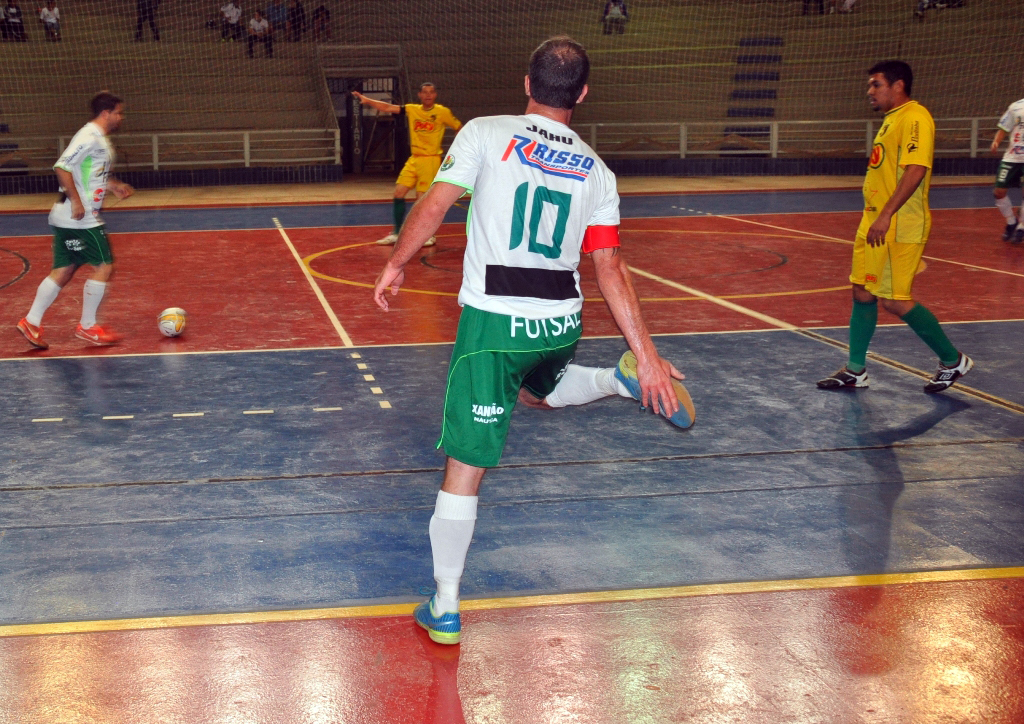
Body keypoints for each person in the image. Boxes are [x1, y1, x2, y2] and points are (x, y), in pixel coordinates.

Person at [372, 37, 694, 645]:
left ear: (527, 83)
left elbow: (436, 204)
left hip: (495, 322)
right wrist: (647, 357)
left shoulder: (485, 132)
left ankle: (444, 605)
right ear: (583, 94)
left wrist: (398, 262)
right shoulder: (598, 171)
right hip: (559, 320)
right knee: (539, 393)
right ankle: (614, 378)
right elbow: (609, 267)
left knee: (464, 466)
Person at [817, 60, 972, 393]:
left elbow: (916, 169)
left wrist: (886, 214)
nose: (869, 91)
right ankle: (856, 370)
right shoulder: (891, 120)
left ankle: (953, 360)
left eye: (876, 84)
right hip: (875, 221)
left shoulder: (915, 117)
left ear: (898, 85)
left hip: (899, 224)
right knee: (862, 291)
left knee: (895, 300)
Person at [16, 92, 134, 350]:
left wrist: (113, 185)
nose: (121, 117)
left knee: (64, 270)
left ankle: (31, 322)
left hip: (66, 216)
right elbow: (62, 166)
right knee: (104, 266)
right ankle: (88, 327)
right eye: (119, 112)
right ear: (106, 113)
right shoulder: (88, 136)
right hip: (81, 218)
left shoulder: (99, 139)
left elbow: (89, 171)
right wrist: (78, 201)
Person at [352, 82, 462, 247]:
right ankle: (397, 233)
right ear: (419, 95)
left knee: (422, 200)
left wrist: (458, 151)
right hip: (414, 159)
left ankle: (427, 235)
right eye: (425, 92)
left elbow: (459, 127)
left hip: (430, 159)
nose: (428, 95)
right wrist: (367, 100)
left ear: (435, 95)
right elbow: (388, 108)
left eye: (431, 92)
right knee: (399, 193)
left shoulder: (442, 112)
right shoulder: (412, 109)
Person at [990, 96, 1024, 243]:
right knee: (999, 191)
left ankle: (1022, 227)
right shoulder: (1015, 106)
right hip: (1012, 157)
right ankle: (1011, 222)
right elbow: (1004, 127)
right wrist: (996, 142)